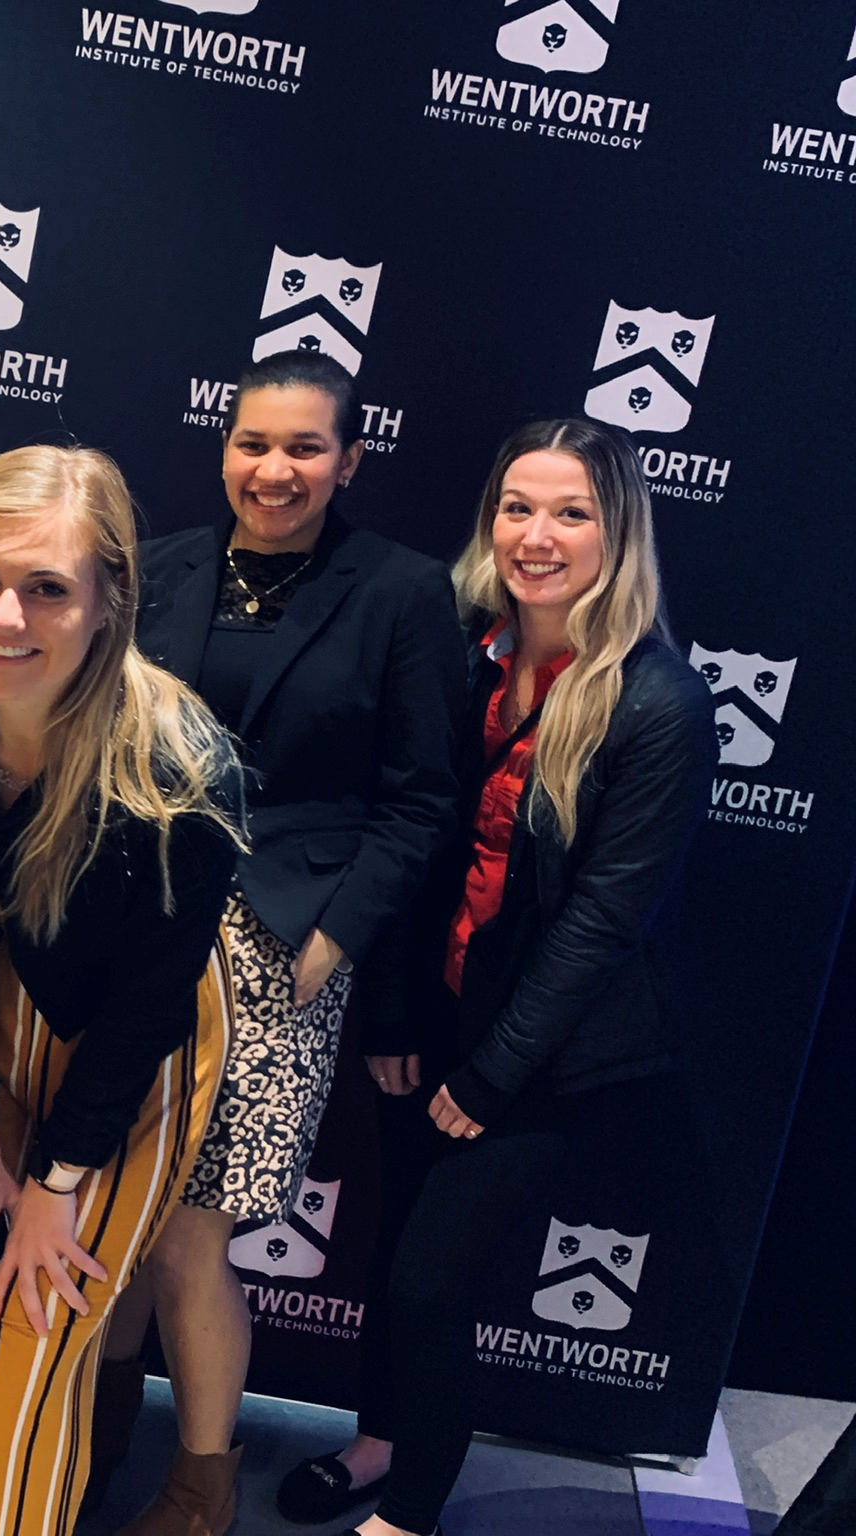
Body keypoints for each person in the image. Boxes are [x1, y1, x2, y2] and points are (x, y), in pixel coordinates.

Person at [321, 418, 715, 1536]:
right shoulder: (462, 651)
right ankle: (373, 1445)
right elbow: (413, 844)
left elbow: (599, 925)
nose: (534, 536)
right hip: (436, 1017)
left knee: (431, 1282)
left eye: (569, 513)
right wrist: (396, 1012)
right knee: (391, 1246)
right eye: (516, 508)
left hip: (548, 1055)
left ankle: (407, 1514)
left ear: (617, 532)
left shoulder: (658, 705)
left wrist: (488, 1078)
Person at [97, 350, 467, 1535]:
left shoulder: (402, 593)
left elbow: (421, 802)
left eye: (304, 448)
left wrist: (333, 937)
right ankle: (81, 1444)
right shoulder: (156, 574)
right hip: (132, 929)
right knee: (105, 1208)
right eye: (253, 443)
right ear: (224, 446)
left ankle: (199, 1481)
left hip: (280, 947)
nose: (274, 469)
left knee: (190, 1232)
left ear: (348, 460)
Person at [0, 445, 244, 1536]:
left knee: (34, 1327)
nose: (4, 620)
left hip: (135, 1054)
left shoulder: (177, 767)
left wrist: (52, 1181)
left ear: (108, 600)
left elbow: (146, 1007)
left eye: (46, 589)